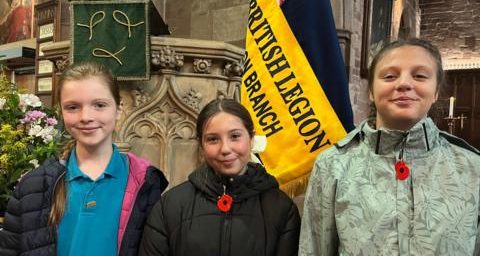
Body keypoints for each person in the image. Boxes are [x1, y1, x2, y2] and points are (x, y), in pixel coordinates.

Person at [299, 38, 480, 255]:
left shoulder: (471, 168)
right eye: (389, 76)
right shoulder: (334, 165)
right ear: (371, 92)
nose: (404, 83)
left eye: (420, 75)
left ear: (436, 92)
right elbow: (314, 249)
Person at [0, 62, 168, 256]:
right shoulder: (34, 185)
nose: (86, 117)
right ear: (61, 111)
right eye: (73, 107)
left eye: (99, 105)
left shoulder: (145, 183)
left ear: (119, 109)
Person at [139, 98, 300, 256]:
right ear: (201, 145)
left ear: (251, 138)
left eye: (235, 136)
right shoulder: (170, 206)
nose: (225, 149)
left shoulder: (281, 209)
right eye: (213, 139)